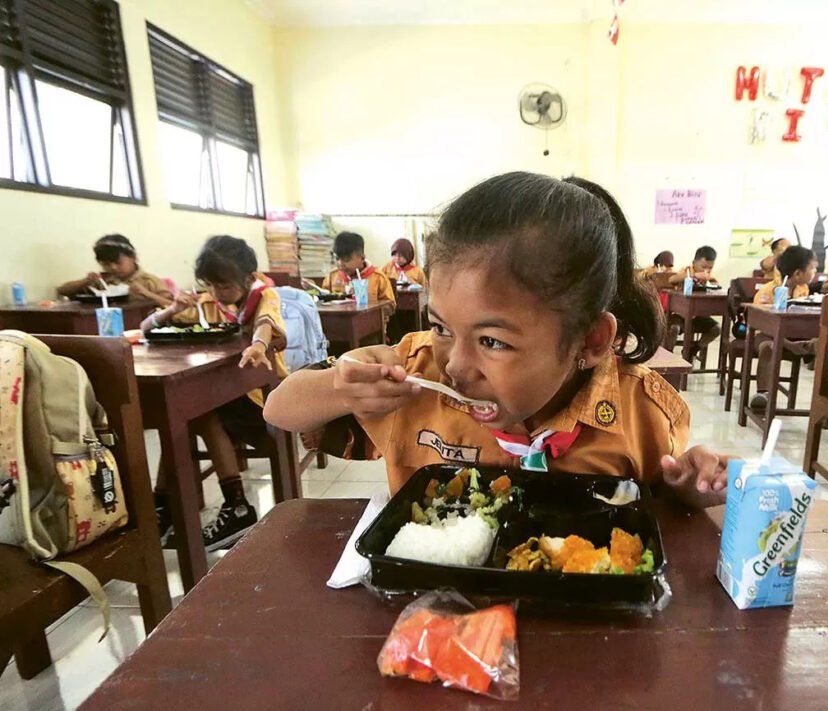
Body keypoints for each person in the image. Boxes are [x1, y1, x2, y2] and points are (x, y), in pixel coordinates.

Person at [264, 172, 736, 509]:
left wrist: (692, 487)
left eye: (492, 341)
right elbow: (278, 410)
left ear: (590, 341)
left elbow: (663, 504)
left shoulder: (640, 410)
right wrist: (340, 388)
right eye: (444, 327)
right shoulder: (414, 375)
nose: (456, 367)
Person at [141, 235, 288, 550]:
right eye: (209, 285)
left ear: (248, 279)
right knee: (188, 411)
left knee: (197, 411)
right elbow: (146, 328)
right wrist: (170, 310)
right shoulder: (208, 303)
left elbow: (266, 322)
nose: (216, 294)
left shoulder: (265, 295)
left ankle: (172, 504)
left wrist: (259, 345)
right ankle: (219, 506)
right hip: (223, 397)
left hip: (263, 402)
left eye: (224, 286)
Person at [749, 246, 818, 411]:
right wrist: (788, 344)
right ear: (797, 273)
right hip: (767, 335)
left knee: (824, 344)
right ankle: (763, 393)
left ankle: (823, 400)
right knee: (768, 347)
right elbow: (763, 324)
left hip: (793, 335)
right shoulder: (768, 291)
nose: (815, 272)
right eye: (812, 268)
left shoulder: (803, 290)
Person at [57, 234, 173, 308]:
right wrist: (86, 281)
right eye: (106, 264)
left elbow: (173, 306)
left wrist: (147, 294)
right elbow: (63, 290)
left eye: (118, 263)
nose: (113, 268)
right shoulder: (103, 281)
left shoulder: (149, 281)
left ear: (133, 257)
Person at [323, 231, 396, 315]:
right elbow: (323, 300)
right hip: (338, 323)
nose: (340, 263)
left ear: (362, 258)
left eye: (346, 259)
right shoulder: (333, 276)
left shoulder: (378, 278)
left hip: (371, 325)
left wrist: (368, 303)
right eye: (337, 258)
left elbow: (390, 308)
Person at [665, 246, 721, 351]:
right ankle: (669, 354)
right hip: (680, 315)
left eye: (710, 268)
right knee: (673, 328)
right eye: (703, 267)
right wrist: (694, 275)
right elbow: (672, 279)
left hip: (698, 316)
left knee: (716, 329)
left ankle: (694, 349)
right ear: (694, 263)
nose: (706, 270)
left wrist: (713, 282)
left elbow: (716, 286)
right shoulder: (687, 271)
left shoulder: (709, 276)